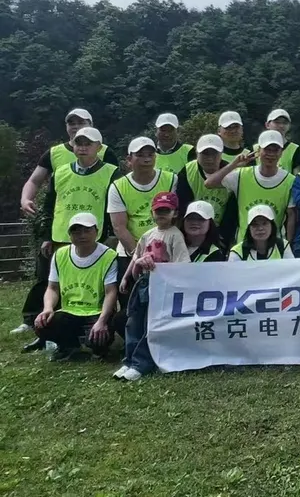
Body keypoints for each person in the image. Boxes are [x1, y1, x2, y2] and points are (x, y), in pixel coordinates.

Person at [16, 126, 120, 342]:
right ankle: (50, 331)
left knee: (99, 285)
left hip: (97, 236)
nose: (82, 147)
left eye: (88, 143)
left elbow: (116, 205)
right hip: (61, 237)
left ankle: (96, 324)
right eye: (79, 143)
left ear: (99, 147)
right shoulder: (61, 172)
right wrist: (47, 236)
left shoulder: (111, 171)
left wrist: (112, 234)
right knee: (51, 283)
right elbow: (50, 206)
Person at [113, 191, 190, 382]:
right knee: (134, 322)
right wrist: (126, 277)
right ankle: (129, 359)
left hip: (162, 287)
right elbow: (136, 256)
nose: (161, 214)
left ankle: (141, 364)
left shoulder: (175, 236)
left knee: (150, 325)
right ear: (152, 213)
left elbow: (183, 265)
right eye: (158, 211)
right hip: (143, 283)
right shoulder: (148, 235)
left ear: (175, 213)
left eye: (166, 211)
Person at [32, 213, 118, 362]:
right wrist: (48, 308)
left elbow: (111, 292)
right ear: (69, 234)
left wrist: (102, 321)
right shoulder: (60, 254)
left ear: (96, 232)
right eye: (76, 231)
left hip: (96, 311)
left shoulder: (108, 256)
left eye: (87, 230)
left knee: (99, 339)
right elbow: (52, 288)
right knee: (43, 324)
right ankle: (68, 346)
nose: (82, 235)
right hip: (69, 310)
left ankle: (94, 347)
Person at [108, 137, 178, 297]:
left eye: (150, 155)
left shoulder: (171, 179)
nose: (146, 159)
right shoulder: (118, 187)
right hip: (131, 253)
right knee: (131, 303)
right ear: (129, 159)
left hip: (166, 252)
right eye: (140, 155)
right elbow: (119, 227)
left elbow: (176, 216)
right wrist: (140, 255)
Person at [19, 107, 119, 219]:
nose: (76, 126)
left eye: (81, 122)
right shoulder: (54, 153)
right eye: (71, 123)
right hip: (62, 216)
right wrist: (25, 199)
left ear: (91, 125)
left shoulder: (105, 152)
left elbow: (118, 186)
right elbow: (34, 181)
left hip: (97, 216)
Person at [206, 130, 296, 246]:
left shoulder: (290, 180)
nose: (271, 154)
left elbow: (291, 215)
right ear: (258, 150)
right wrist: (233, 165)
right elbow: (209, 183)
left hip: (274, 246)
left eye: (275, 150)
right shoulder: (241, 175)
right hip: (243, 245)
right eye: (267, 149)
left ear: (281, 152)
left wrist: (288, 244)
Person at [175, 134, 237, 248]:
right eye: (205, 153)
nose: (210, 158)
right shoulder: (188, 171)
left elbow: (232, 213)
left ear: (221, 153)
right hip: (192, 232)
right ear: (197, 154)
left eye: (214, 153)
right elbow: (182, 206)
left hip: (221, 233)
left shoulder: (232, 173)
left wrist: (224, 238)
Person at [229, 205, 295, 260]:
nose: (260, 228)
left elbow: (292, 269)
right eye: (255, 224)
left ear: (272, 226)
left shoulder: (282, 246)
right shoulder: (237, 252)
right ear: (249, 228)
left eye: (264, 223)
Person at [266, 108, 300, 172]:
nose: (281, 126)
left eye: (285, 123)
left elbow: (298, 175)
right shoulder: (256, 149)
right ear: (267, 125)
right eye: (277, 122)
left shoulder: (295, 149)